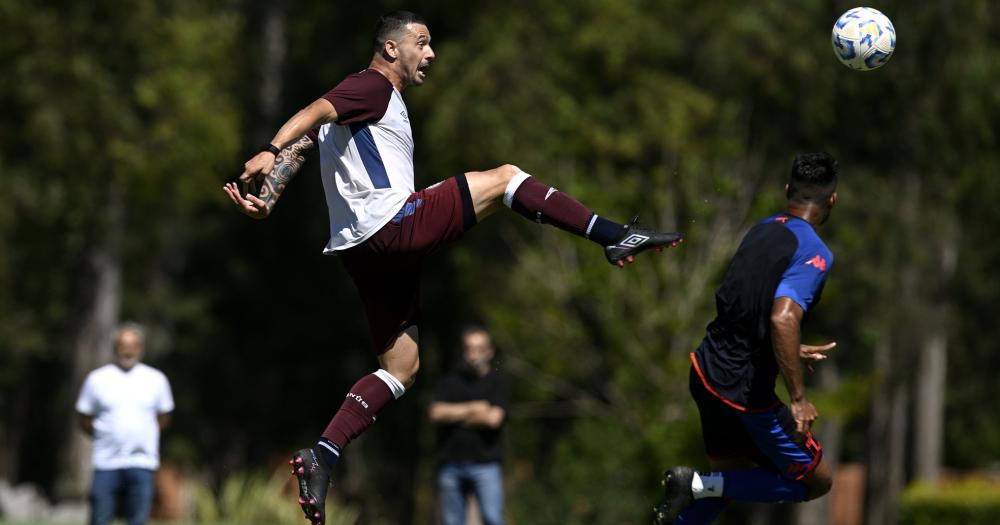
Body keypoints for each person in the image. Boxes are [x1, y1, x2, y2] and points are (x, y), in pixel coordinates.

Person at [221, 10, 682, 525]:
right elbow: (310, 112)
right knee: (506, 178)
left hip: (361, 254)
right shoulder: (372, 85)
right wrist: (268, 148)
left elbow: (308, 138)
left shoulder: (357, 103)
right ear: (392, 49)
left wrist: (270, 192)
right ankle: (614, 236)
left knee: (401, 369)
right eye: (423, 42)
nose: (431, 53)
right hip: (393, 226)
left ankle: (322, 455)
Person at [654, 153, 839, 524]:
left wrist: (789, 349)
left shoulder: (762, 228)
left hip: (705, 370)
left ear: (787, 191)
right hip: (742, 393)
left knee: (729, 482)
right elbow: (782, 316)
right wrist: (799, 399)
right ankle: (697, 484)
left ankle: (690, 499)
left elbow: (746, 311)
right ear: (832, 199)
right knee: (816, 482)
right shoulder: (815, 253)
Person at [75, 322, 175, 525]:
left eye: (134, 345)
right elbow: (84, 418)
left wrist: (143, 433)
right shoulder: (97, 379)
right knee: (100, 518)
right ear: (115, 347)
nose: (128, 350)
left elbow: (164, 416)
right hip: (106, 462)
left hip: (142, 462)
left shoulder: (156, 379)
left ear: (141, 348)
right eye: (123, 344)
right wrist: (104, 435)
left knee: (138, 519)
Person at [429, 325, 510, 525]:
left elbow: (493, 419)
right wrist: (475, 407)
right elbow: (435, 413)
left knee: (493, 518)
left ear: (489, 352)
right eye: (469, 348)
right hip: (450, 464)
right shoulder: (448, 382)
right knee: (452, 521)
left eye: (479, 348)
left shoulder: (498, 383)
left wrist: (454, 415)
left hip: (487, 465)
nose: (474, 355)